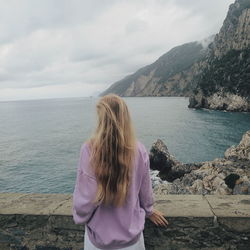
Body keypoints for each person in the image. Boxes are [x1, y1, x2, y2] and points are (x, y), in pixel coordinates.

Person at [72, 94, 168, 250]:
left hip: (98, 241)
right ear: (125, 117)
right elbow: (145, 190)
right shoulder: (139, 149)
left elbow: (86, 199)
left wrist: (80, 216)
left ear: (101, 119)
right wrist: (149, 211)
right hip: (132, 240)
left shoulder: (89, 150)